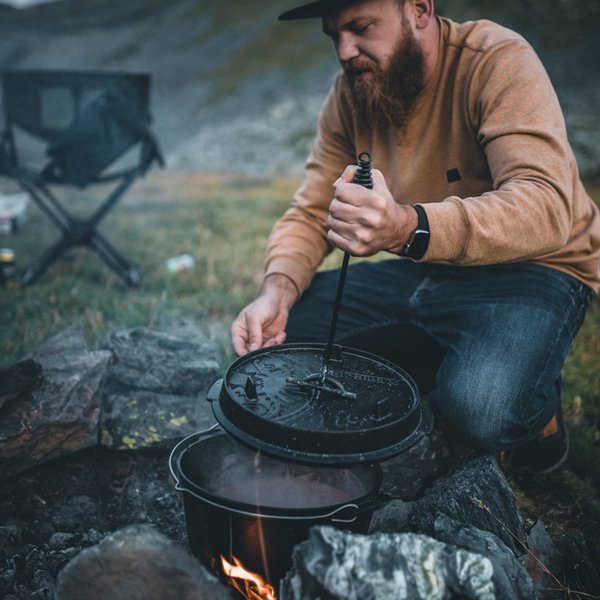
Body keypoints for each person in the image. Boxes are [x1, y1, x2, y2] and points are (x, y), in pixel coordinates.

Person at [231, 0, 600, 474]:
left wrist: (408, 226)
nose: (345, 51)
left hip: (535, 270)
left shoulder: (495, 58)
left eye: (360, 27)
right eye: (334, 36)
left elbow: (546, 207)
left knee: (481, 409)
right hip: (427, 262)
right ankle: (452, 355)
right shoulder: (354, 91)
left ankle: (540, 407)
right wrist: (277, 292)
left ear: (420, 9)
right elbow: (312, 209)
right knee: (283, 343)